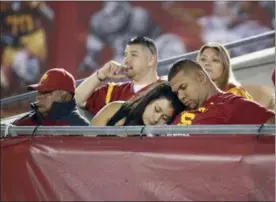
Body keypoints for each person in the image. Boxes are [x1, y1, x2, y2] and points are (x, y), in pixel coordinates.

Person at [75, 36, 163, 119]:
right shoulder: (113, 91)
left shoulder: (169, 91)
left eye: (134, 55)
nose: (126, 60)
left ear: (151, 60)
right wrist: (100, 75)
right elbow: (79, 99)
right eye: (125, 55)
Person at [168, 59, 275, 125]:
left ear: (200, 77)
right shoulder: (181, 112)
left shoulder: (231, 104)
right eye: (177, 93)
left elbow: (272, 124)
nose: (181, 96)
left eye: (183, 87)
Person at [12, 68, 89, 126]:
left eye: (46, 92)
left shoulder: (80, 128)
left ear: (65, 95)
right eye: (39, 92)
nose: (39, 97)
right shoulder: (24, 122)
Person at [91, 82, 186, 126]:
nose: (156, 119)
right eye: (157, 110)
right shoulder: (114, 109)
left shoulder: (158, 139)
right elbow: (86, 145)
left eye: (164, 118)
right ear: (148, 100)